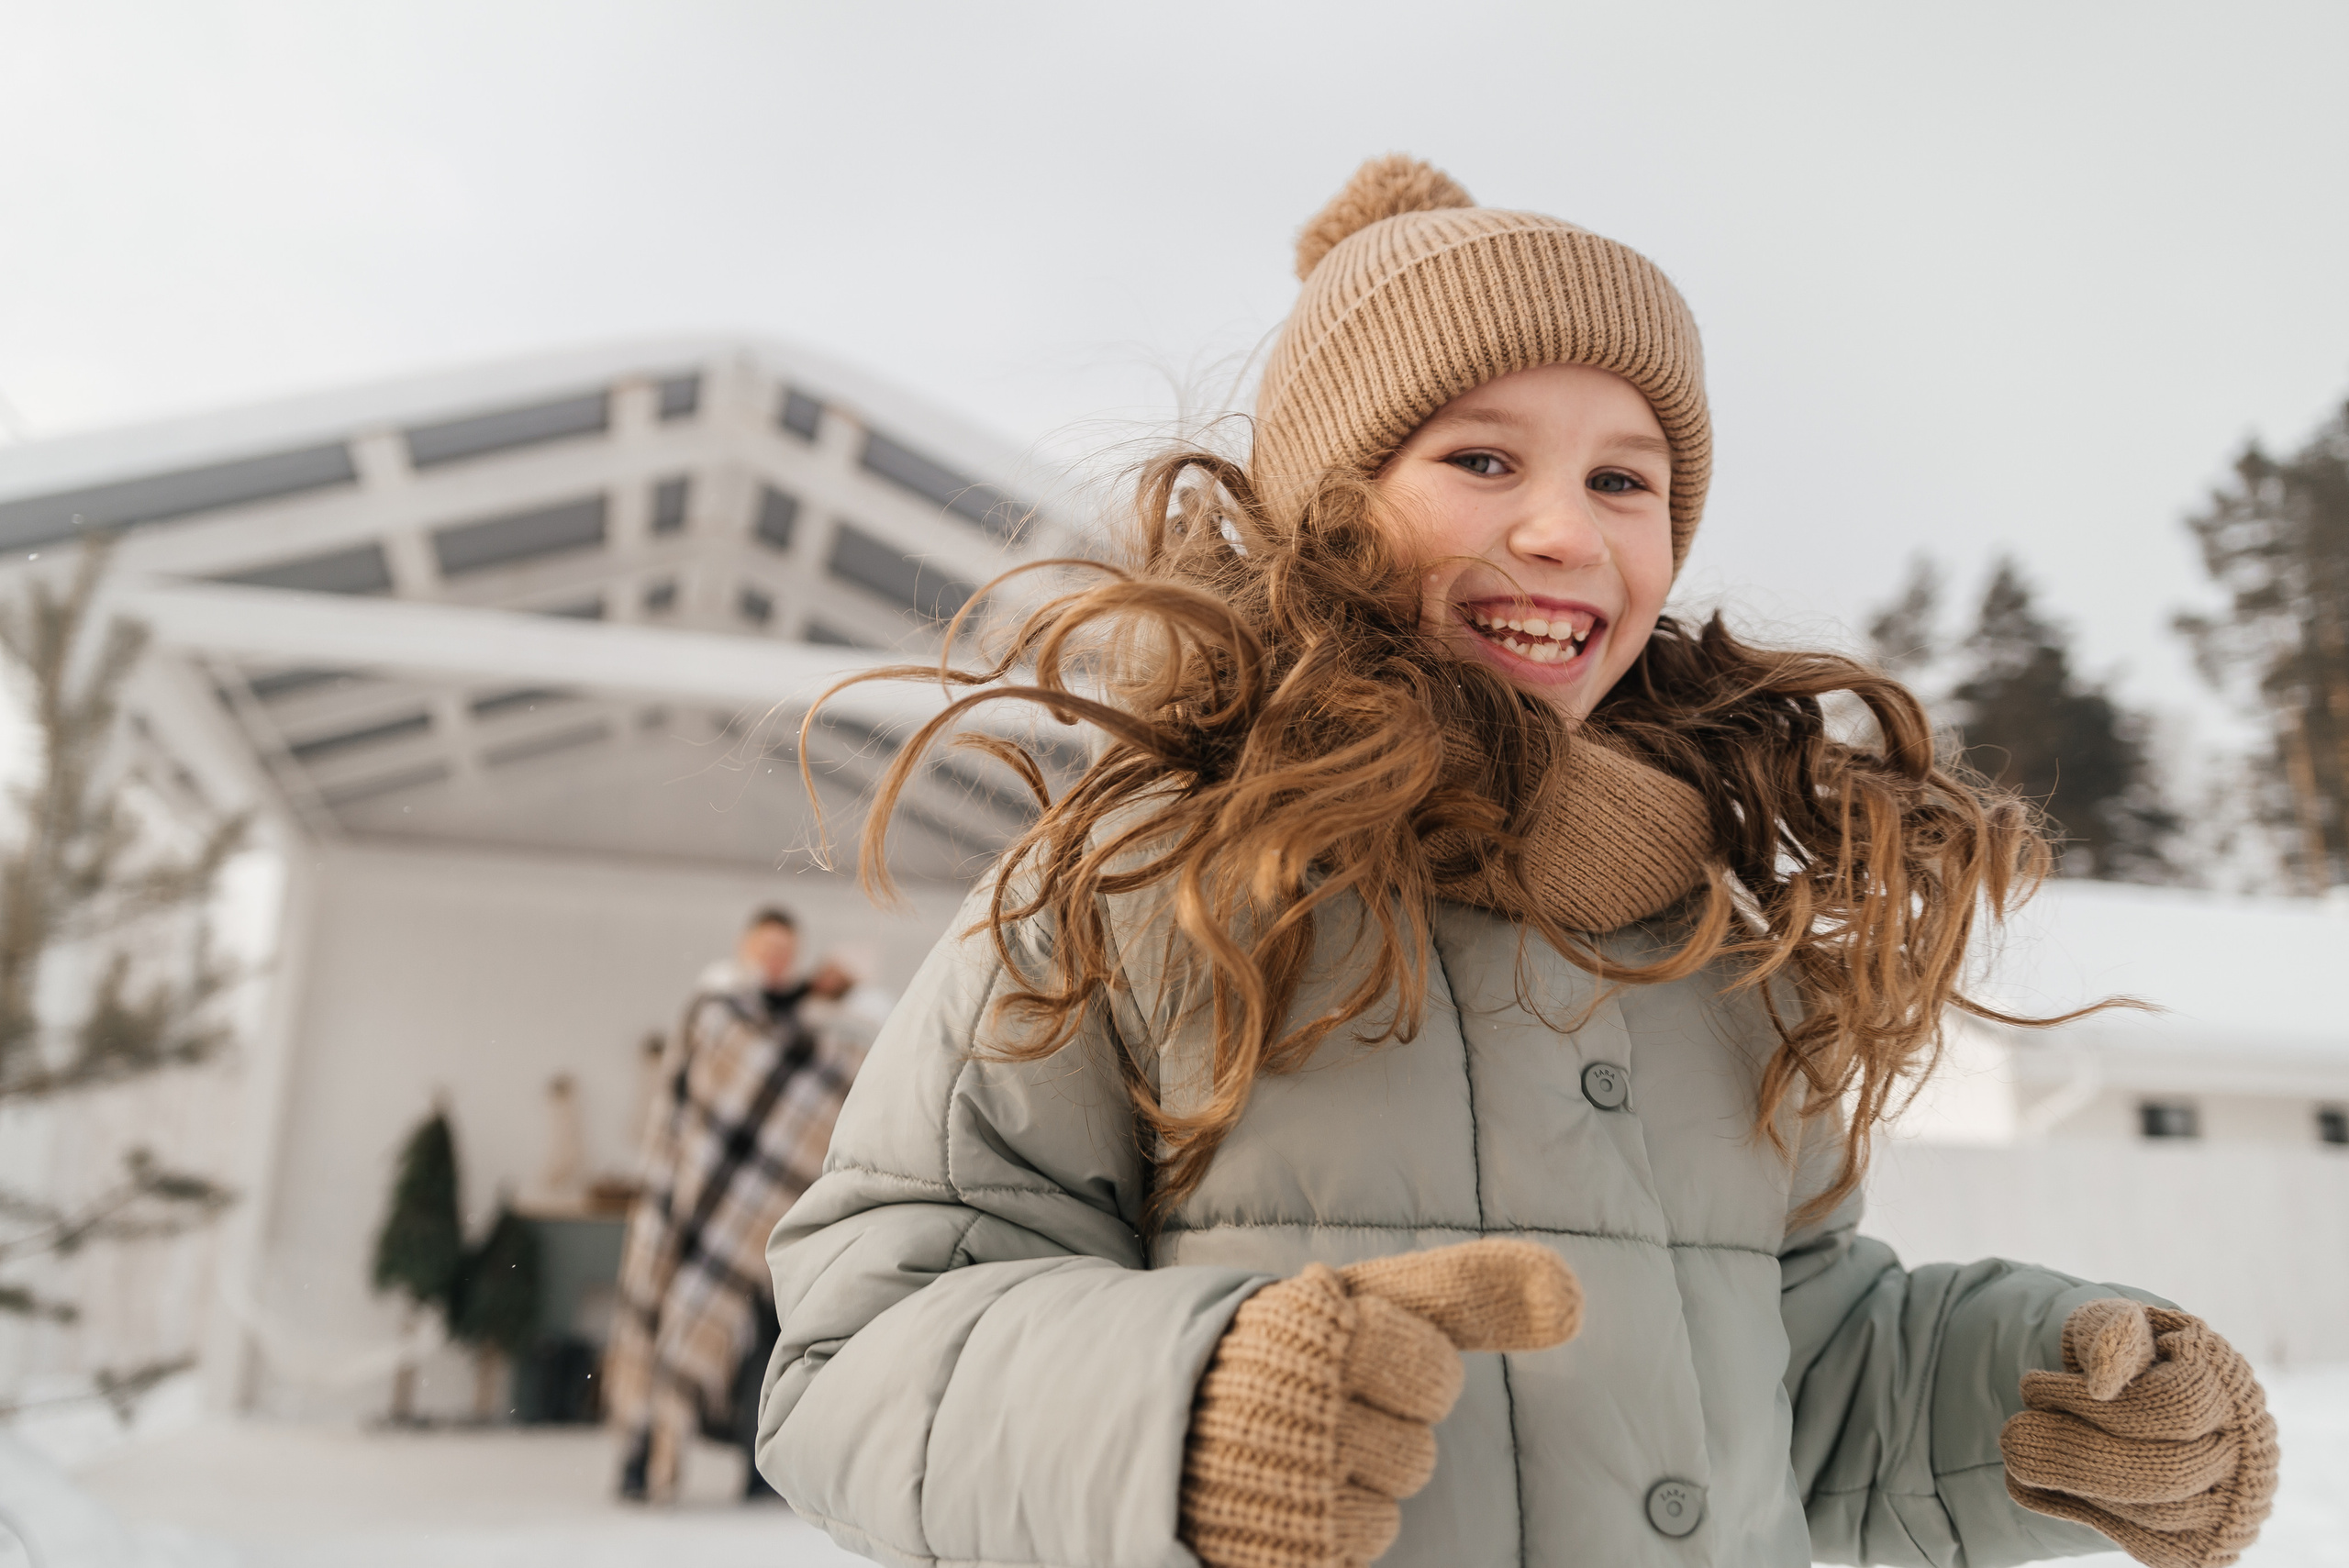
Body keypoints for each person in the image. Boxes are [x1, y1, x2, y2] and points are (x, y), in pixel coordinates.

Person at [754, 158, 2278, 1568]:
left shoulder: (1719, 940)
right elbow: (861, 1347)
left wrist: (2046, 1403)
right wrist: (1184, 1410)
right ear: (1326, 511)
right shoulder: (1146, 885)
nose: (1562, 530)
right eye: (1482, 459)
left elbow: (1796, 1370)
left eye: (1624, 481)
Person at [607, 906, 858, 1502]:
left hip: (762, 1214)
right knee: (665, 1320)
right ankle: (643, 1456)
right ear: (745, 947)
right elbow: (742, 1061)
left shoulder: (813, 1030)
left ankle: (759, 1466)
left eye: (785, 951)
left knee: (765, 1342)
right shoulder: (718, 1007)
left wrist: (821, 1001)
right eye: (767, 947)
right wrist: (811, 997)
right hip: (692, 1199)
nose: (775, 959)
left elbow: (827, 1080)